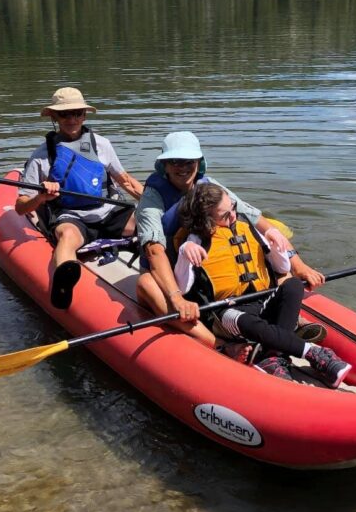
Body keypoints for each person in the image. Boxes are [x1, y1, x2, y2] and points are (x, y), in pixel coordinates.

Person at [135, 131, 326, 349]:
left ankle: (281, 324)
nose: (183, 167)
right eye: (175, 161)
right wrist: (177, 297)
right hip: (171, 273)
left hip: (205, 271)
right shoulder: (152, 199)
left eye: (189, 161)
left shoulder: (211, 188)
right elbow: (154, 251)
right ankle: (219, 343)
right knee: (146, 284)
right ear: (165, 166)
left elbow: (258, 220)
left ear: (199, 162)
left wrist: (299, 266)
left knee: (282, 272)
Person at [173, 182, 352, 386]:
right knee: (244, 320)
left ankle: (273, 358)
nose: (233, 215)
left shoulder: (247, 228)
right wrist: (184, 254)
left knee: (293, 285)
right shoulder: (194, 242)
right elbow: (183, 287)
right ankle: (314, 353)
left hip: (261, 302)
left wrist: (277, 246)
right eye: (224, 215)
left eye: (233, 207)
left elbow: (282, 267)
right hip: (228, 313)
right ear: (206, 220)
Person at [16, 87, 143, 309]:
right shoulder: (41, 156)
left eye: (77, 113)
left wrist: (155, 204)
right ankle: (63, 281)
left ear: (84, 115)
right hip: (72, 217)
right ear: (54, 116)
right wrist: (41, 197)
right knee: (66, 236)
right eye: (65, 114)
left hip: (108, 211)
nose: (72, 119)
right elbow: (20, 207)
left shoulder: (101, 144)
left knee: (148, 221)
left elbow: (125, 181)